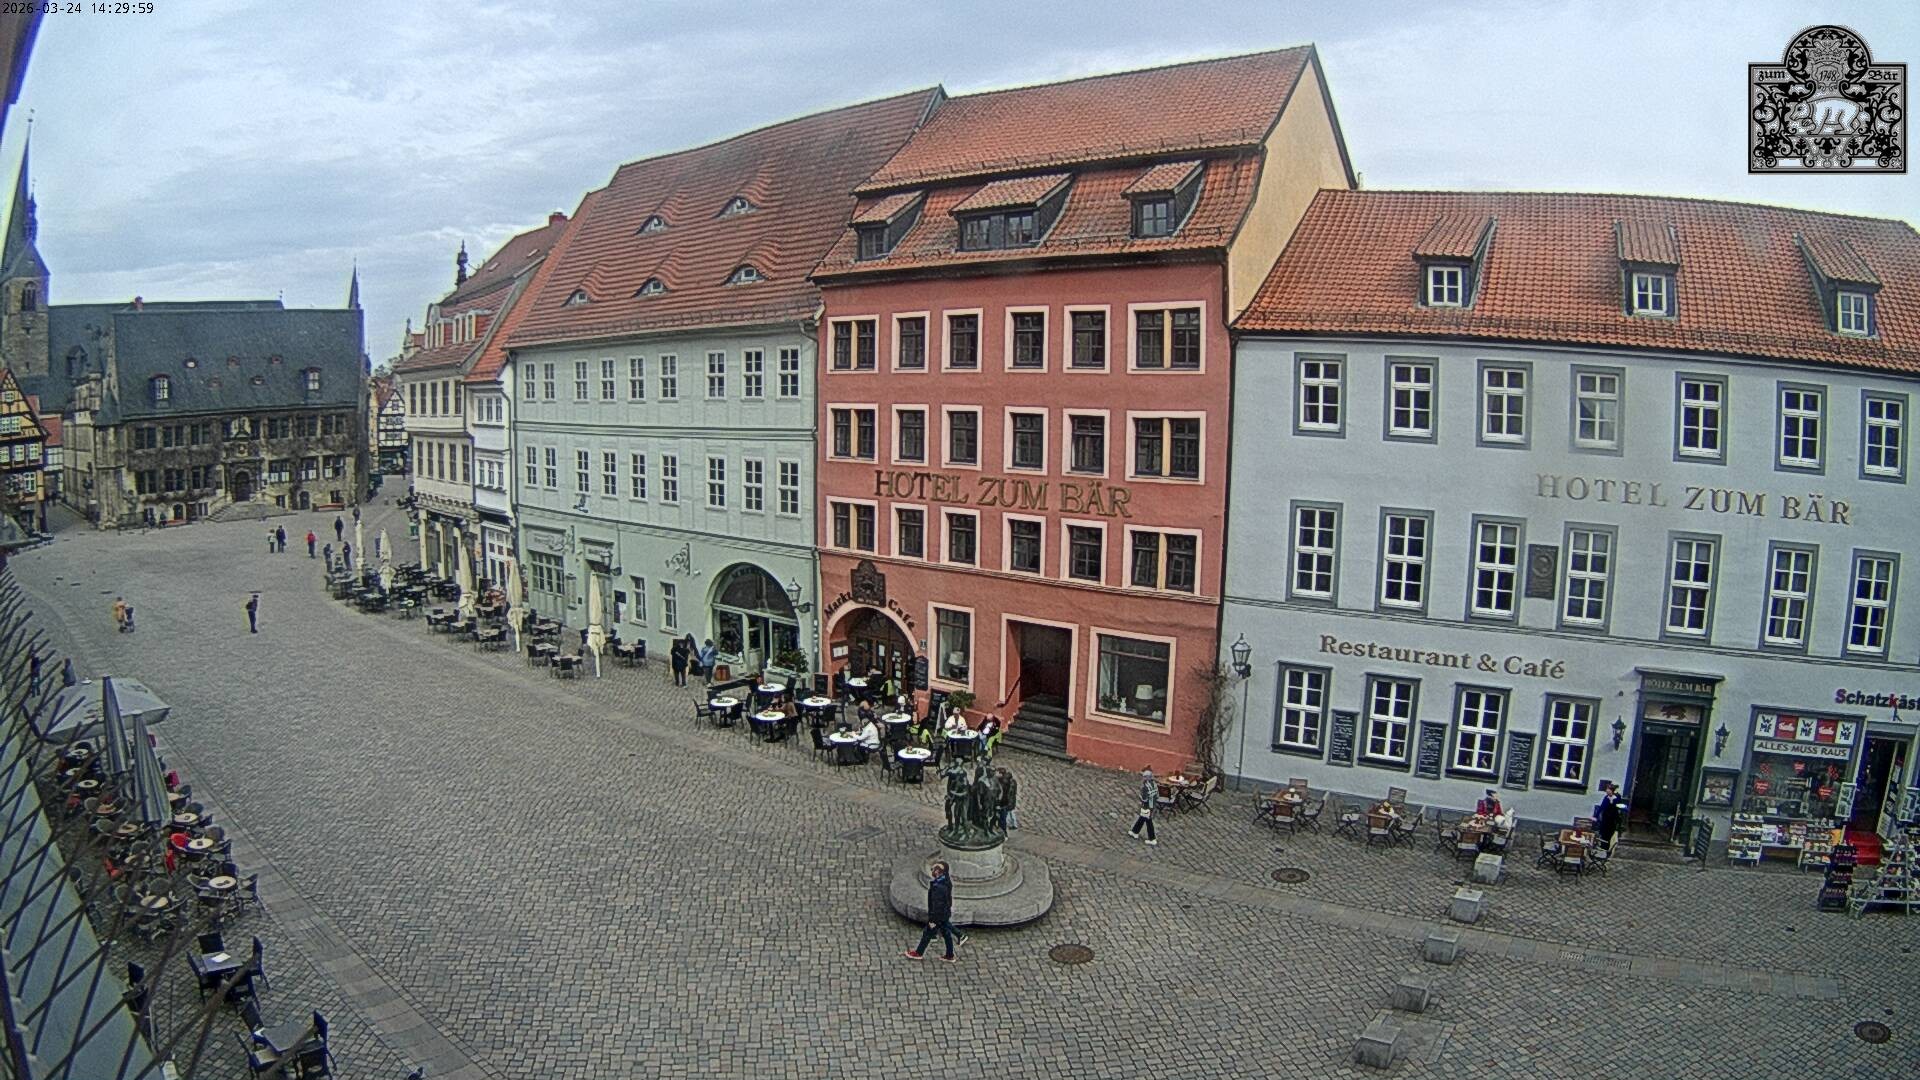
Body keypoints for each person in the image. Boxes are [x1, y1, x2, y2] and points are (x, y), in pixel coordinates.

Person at [904, 861, 961, 962]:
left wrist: (932, 920)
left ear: (938, 872)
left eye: (933, 869)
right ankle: (950, 955)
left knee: (927, 933)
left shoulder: (938, 887)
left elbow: (936, 905)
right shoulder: (946, 882)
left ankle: (918, 953)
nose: (932, 871)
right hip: (944, 914)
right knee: (946, 933)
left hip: (937, 917)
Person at [1129, 766, 1158, 845]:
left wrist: (1139, 796)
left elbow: (1144, 799)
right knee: (1142, 818)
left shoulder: (1145, 787)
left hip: (1147, 806)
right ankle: (1135, 831)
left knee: (1148, 821)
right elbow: (1157, 796)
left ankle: (1152, 838)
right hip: (1153, 805)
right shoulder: (1154, 784)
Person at [1595, 781, 1623, 847]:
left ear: (1611, 791)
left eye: (1608, 789)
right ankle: (1602, 846)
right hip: (1605, 818)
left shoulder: (1617, 798)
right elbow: (1601, 807)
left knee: (1609, 833)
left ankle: (1607, 847)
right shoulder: (1606, 798)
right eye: (1606, 789)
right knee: (1603, 832)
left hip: (1612, 819)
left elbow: (1619, 807)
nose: (1606, 791)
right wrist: (1595, 816)